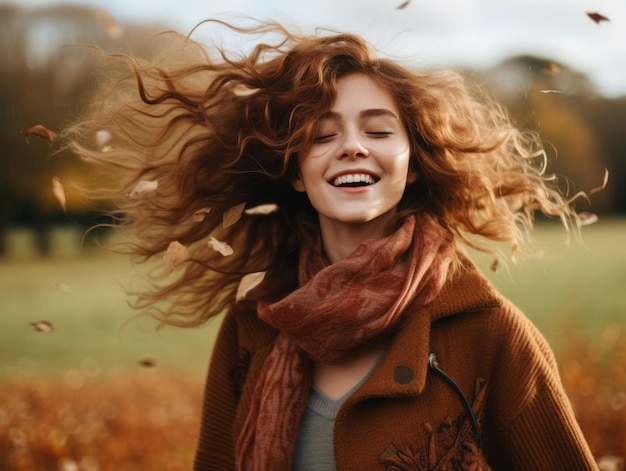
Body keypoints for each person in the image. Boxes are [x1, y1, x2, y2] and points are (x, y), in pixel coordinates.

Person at [67, 20, 599, 470]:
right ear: (298, 173)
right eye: (322, 135)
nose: (351, 147)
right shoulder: (251, 326)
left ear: (412, 165)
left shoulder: (492, 333)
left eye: (379, 131)